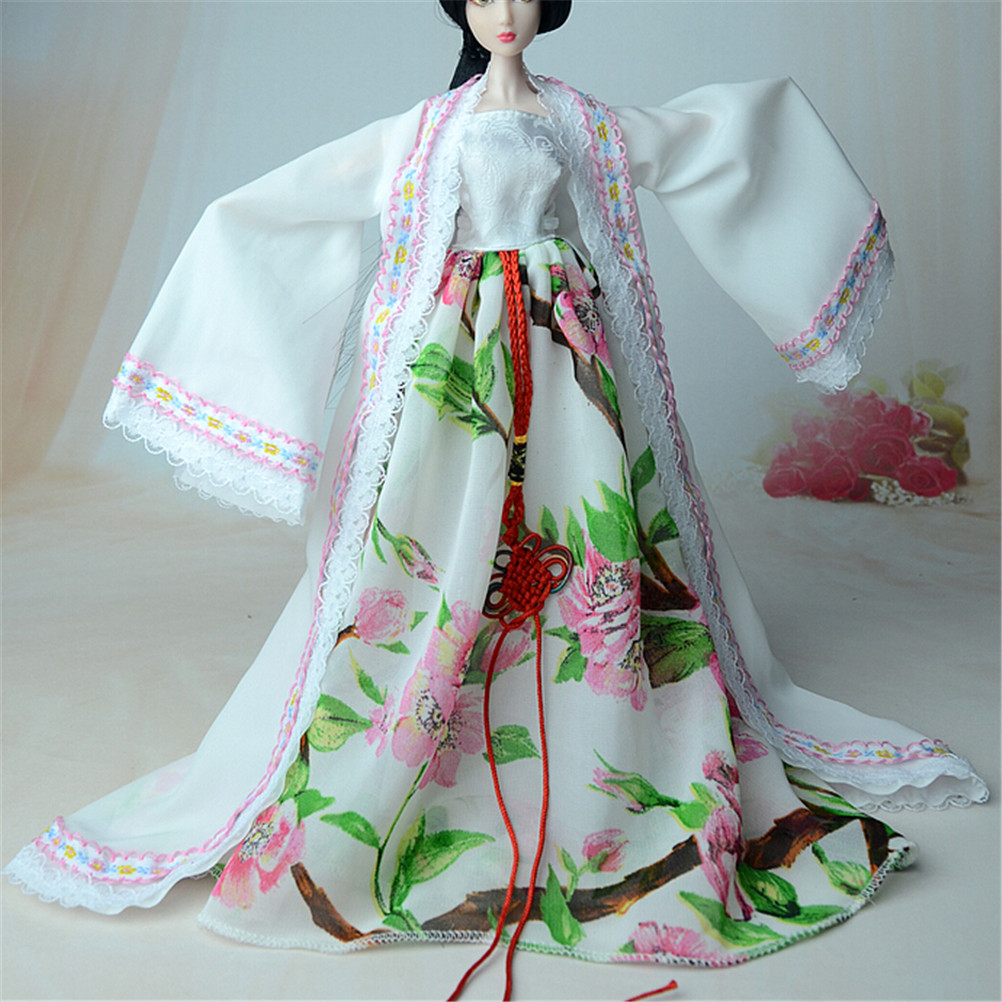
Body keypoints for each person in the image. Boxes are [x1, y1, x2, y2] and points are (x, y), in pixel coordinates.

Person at [4, 0, 987, 996]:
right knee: (443, 525)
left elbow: (704, 140)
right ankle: (448, 692)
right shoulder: (426, 132)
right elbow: (291, 202)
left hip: (567, 358)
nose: (505, 12)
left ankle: (591, 706)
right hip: (461, 354)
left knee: (586, 516)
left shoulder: (581, 120)